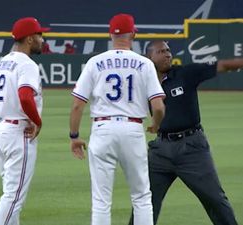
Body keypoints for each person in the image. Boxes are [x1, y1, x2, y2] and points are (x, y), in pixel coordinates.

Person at [127, 40, 243, 225]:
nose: (168, 54)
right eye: (161, 51)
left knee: (215, 200)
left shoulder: (185, 74)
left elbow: (223, 65)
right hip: (160, 151)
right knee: (145, 202)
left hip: (192, 148)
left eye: (169, 50)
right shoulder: (143, 83)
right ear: (148, 57)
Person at [69, 13, 166, 225]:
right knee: (141, 196)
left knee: (101, 200)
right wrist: (156, 125)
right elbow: (158, 106)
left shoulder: (95, 62)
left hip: (103, 128)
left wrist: (74, 136)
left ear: (110, 34)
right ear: (133, 34)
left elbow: (78, 104)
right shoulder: (145, 63)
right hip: (133, 129)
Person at [0, 17, 49, 225]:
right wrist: (37, 122)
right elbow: (25, 96)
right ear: (29, 39)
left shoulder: (3, 62)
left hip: (0, 131)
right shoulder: (27, 64)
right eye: (39, 35)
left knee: (11, 196)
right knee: (13, 199)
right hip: (18, 133)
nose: (42, 39)